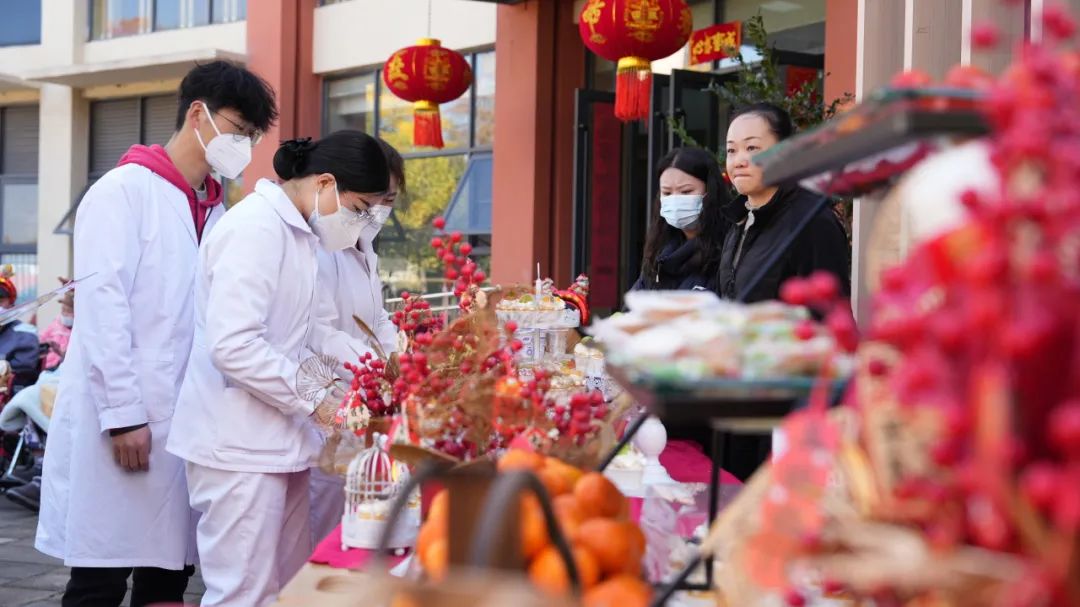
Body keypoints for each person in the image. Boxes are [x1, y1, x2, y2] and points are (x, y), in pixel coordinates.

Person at [36, 61, 278, 607]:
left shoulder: (218, 210)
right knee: (100, 577)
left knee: (168, 574)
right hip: (124, 418)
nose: (244, 145)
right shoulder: (122, 191)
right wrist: (124, 415)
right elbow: (104, 308)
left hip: (187, 423)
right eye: (238, 129)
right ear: (197, 114)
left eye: (252, 136)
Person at [166, 131, 390, 606]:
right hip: (236, 444)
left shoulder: (300, 233)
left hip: (278, 440)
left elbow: (308, 331)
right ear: (325, 183)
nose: (362, 223)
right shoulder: (255, 229)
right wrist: (317, 400)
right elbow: (234, 345)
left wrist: (376, 370)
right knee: (243, 592)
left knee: (288, 588)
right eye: (360, 208)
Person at [308, 138, 404, 546]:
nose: (379, 210)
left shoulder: (364, 246)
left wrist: (396, 360)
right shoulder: (321, 244)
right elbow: (318, 330)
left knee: (354, 514)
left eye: (389, 201)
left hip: (361, 398)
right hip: (328, 398)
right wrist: (372, 365)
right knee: (323, 521)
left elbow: (377, 317)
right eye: (372, 200)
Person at [717, 102, 850, 303]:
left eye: (751, 148)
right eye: (731, 150)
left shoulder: (811, 222)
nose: (738, 161)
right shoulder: (740, 218)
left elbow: (829, 311)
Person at [631, 146, 730, 293]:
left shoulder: (729, 248)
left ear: (710, 191)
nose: (675, 199)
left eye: (686, 191)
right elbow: (634, 301)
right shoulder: (659, 253)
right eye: (667, 193)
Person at [0, 269, 43, 389]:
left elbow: (24, 370)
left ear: (12, 305)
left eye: (0, 301)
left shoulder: (25, 333)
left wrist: (4, 366)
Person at [39, 278, 75, 371]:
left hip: (65, 369)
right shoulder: (56, 323)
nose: (65, 314)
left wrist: (60, 352)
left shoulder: (78, 331)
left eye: (69, 311)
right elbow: (41, 338)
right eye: (63, 310)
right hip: (47, 368)